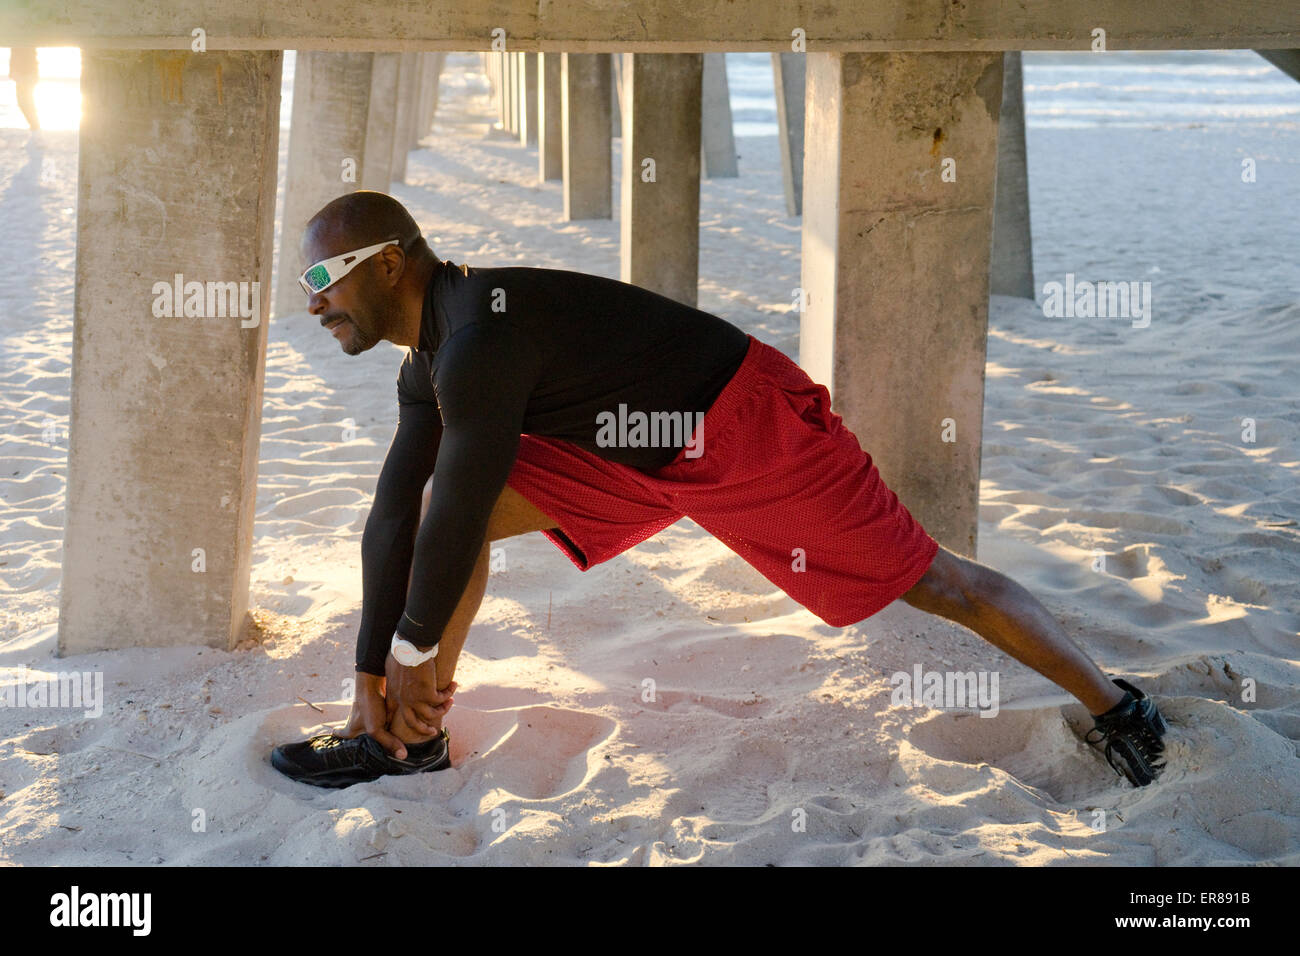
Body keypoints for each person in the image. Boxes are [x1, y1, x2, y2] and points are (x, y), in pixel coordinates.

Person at [270, 191, 1168, 790]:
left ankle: (1116, 705)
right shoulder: (428, 361)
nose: (313, 303)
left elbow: (465, 499)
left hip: (745, 428)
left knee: (933, 581)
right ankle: (411, 740)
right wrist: (369, 670)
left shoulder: (477, 341)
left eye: (323, 278)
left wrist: (412, 649)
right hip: (625, 449)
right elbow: (398, 514)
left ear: (389, 263)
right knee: (430, 518)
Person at [7, 47, 41, 144]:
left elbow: (27, 53)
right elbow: (14, 53)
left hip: (26, 72)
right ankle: (35, 131)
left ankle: (36, 132)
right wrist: (12, 71)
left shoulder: (23, 38)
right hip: (23, 72)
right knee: (25, 102)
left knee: (26, 102)